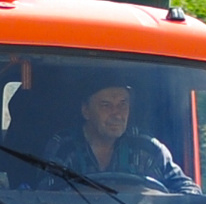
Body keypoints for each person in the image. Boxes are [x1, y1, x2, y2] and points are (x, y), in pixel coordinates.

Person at [40, 79, 197, 193]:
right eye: (106, 105)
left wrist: (154, 198)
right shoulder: (64, 146)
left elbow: (191, 193)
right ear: (86, 111)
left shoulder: (148, 147)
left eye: (123, 104)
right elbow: (45, 197)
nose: (117, 114)